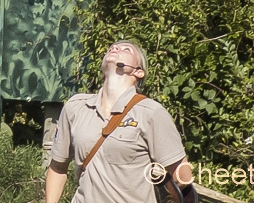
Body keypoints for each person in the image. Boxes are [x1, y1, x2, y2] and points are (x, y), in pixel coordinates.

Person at [45, 40, 193, 203]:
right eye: (112, 48)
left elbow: (182, 178)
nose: (115, 48)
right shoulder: (76, 106)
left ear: (138, 72)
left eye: (126, 49)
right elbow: (57, 168)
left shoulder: (151, 113)